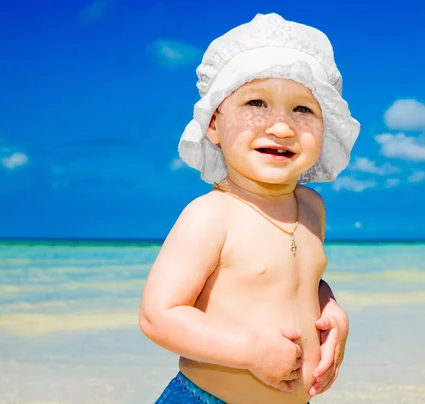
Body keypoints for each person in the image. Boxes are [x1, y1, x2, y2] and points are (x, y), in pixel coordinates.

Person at [139, 12, 360, 404]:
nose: (282, 127)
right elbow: (160, 315)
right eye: (257, 102)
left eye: (303, 110)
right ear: (213, 125)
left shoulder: (311, 207)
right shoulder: (212, 215)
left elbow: (299, 282)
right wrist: (251, 351)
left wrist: (331, 308)